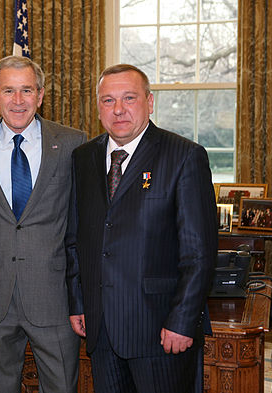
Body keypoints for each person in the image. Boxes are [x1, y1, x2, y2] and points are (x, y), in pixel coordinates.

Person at [66, 64, 217, 393]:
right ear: (98, 107)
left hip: (161, 332)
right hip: (102, 328)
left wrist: (182, 320)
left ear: (150, 102)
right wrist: (78, 302)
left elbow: (199, 253)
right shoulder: (83, 158)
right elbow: (76, 239)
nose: (118, 109)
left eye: (129, 98)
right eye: (108, 100)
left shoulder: (184, 156)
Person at [0, 55, 86, 393]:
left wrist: (81, 295)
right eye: (8, 91)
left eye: (26, 90)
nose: (18, 100)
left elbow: (81, 225)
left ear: (40, 95)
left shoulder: (73, 143)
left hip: (53, 297)